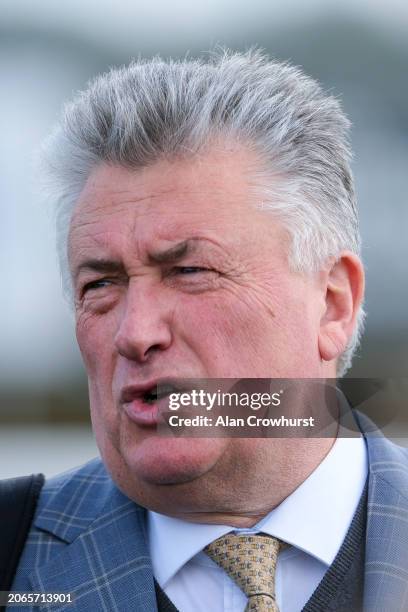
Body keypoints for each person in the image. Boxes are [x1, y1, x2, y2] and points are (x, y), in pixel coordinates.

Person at [10, 50, 408, 611]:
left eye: (190, 271)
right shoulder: (13, 559)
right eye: (101, 285)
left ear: (331, 304)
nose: (135, 332)